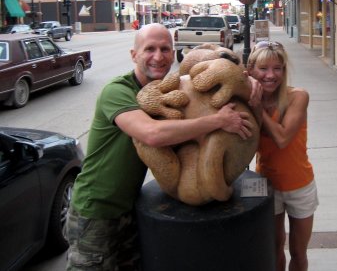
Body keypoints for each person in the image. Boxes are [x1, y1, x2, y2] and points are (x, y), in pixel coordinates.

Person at [66, 23, 254, 271]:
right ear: (134, 55)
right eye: (149, 49)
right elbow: (151, 134)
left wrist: (248, 82)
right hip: (96, 210)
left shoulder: (165, 87)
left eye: (165, 49)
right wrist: (218, 121)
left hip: (130, 208)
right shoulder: (118, 91)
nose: (158, 56)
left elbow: (217, 66)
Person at [247, 40, 318, 271]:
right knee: (274, 248)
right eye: (263, 68)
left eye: (277, 68)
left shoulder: (298, 97)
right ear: (251, 71)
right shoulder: (246, 102)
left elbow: (282, 138)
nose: (270, 75)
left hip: (299, 185)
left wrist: (257, 108)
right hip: (267, 185)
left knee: (298, 252)